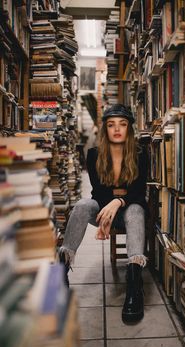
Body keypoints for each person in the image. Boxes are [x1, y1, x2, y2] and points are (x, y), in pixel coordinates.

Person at [59, 104, 148, 323]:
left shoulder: (140, 154)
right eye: (111, 124)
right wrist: (107, 214)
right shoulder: (94, 154)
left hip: (129, 210)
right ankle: (60, 272)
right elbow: (98, 193)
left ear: (129, 128)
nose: (117, 129)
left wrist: (118, 201)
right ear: (105, 129)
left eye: (123, 124)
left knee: (135, 210)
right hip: (103, 208)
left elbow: (138, 193)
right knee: (81, 205)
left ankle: (134, 286)